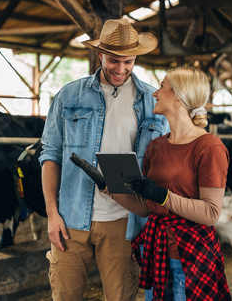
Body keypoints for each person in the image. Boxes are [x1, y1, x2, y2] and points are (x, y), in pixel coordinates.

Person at [72, 67, 232, 300]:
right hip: (156, 251)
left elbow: (210, 213)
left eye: (163, 87)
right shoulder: (156, 146)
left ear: (179, 95)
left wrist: (161, 194)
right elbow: (148, 208)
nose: (155, 93)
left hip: (190, 254)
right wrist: (109, 187)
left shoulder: (209, 147)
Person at [39, 17, 169, 301]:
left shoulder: (154, 101)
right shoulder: (69, 95)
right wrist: (51, 213)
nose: (120, 69)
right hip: (71, 218)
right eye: (113, 60)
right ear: (99, 54)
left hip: (126, 222)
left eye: (129, 61)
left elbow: (165, 161)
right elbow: (50, 154)